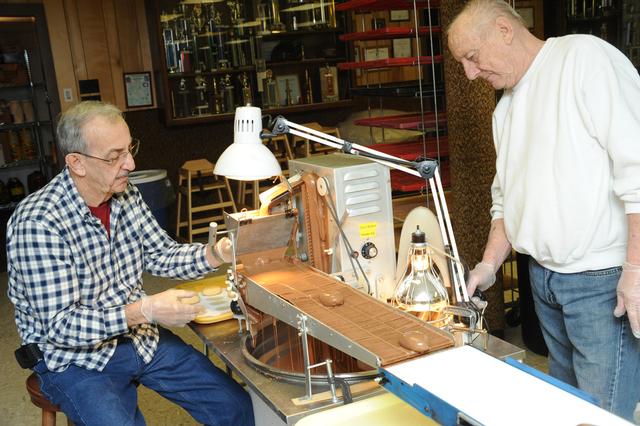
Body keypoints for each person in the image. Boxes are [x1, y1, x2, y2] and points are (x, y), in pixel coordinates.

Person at [448, 0, 640, 421]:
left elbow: (637, 171)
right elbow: (507, 200)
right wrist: (487, 264)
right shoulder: (505, 108)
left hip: (600, 281)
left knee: (601, 417)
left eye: (472, 57)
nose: (470, 74)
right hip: (544, 281)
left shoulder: (583, 59)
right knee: (565, 412)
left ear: (503, 29)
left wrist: (635, 270)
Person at [7, 101, 254, 425]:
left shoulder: (125, 195)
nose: (131, 163)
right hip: (74, 359)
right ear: (76, 163)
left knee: (236, 406)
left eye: (129, 149)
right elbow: (61, 326)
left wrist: (216, 253)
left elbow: (159, 254)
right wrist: (146, 310)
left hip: (138, 337)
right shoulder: (38, 223)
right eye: (115, 156)